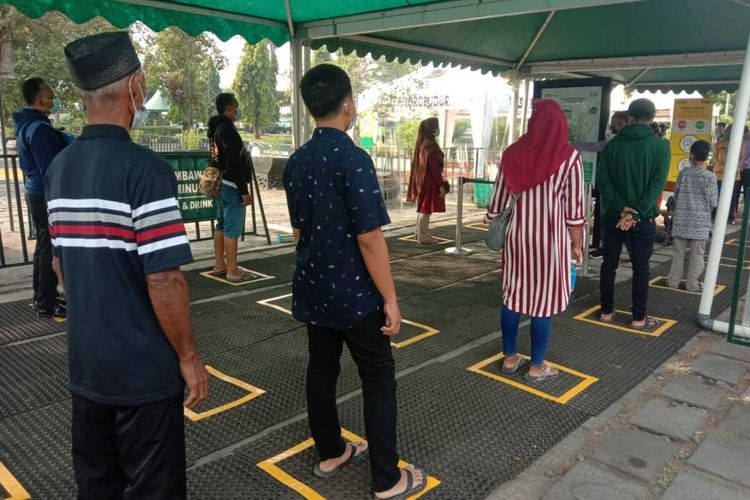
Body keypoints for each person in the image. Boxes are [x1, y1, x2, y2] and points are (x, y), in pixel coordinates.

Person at [47, 32, 208, 498]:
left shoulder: (61, 167)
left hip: (87, 368)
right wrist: (189, 358)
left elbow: (60, 266)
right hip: (143, 374)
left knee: (97, 485)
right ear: (136, 86)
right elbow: (164, 278)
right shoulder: (145, 169)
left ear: (83, 95)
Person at [283, 63, 427, 499]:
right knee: (378, 376)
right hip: (355, 293)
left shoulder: (296, 162)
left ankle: (331, 452)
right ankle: (386, 478)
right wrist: (391, 299)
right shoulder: (354, 159)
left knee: (321, 372)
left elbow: (298, 233)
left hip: (313, 288)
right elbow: (369, 238)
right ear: (348, 104)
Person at [486, 99, 585, 382]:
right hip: (550, 241)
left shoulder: (512, 154)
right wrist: (576, 245)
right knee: (544, 302)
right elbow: (574, 211)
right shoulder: (569, 157)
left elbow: (497, 204)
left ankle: (510, 357)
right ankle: (537, 366)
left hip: (517, 238)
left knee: (513, 296)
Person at [597, 98, 670, 330]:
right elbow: (656, 186)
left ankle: (606, 311)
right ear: (652, 116)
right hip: (643, 219)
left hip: (613, 217)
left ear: (629, 116)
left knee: (609, 264)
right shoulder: (660, 147)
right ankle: (639, 318)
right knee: (641, 268)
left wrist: (622, 209)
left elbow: (603, 181)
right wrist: (635, 212)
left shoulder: (613, 146)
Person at [12, 78, 69, 318]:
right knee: (49, 247)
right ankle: (47, 300)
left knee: (43, 245)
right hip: (44, 193)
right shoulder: (40, 130)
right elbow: (50, 168)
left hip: (34, 192)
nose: (53, 96)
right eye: (50, 92)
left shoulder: (29, 124)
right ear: (38, 98)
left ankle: (41, 296)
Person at [571, 110, 631, 259]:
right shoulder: (634, 143)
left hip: (611, 189)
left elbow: (594, 147)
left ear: (621, 124)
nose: (612, 128)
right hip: (627, 190)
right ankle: (628, 251)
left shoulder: (613, 143)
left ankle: (607, 248)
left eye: (614, 124)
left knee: (609, 219)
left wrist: (569, 143)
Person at [207, 92, 254, 281]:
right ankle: (232, 269)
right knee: (232, 228)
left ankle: (220, 263)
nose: (236, 111)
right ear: (227, 108)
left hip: (219, 184)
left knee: (221, 224)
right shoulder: (228, 131)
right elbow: (234, 163)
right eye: (234, 107)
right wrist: (244, 190)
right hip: (231, 185)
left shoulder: (215, 129)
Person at [667, 140, 718, 292]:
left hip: (682, 219)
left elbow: (676, 194)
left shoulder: (684, 174)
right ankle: (692, 283)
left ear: (692, 155)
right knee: (697, 255)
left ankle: (673, 281)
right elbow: (713, 201)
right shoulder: (710, 177)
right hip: (700, 223)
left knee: (678, 254)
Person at [407, 118, 446, 243]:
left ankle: (418, 232)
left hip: (423, 182)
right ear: (432, 130)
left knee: (423, 208)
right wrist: (441, 186)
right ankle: (422, 235)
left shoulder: (423, 144)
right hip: (429, 182)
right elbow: (434, 168)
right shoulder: (431, 146)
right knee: (426, 209)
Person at [710, 124, 745, 224]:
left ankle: (718, 215)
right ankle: (728, 217)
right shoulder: (738, 144)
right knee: (730, 197)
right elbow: (741, 159)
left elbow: (715, 159)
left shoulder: (719, 144)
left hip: (722, 174)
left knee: (720, 196)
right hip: (730, 175)